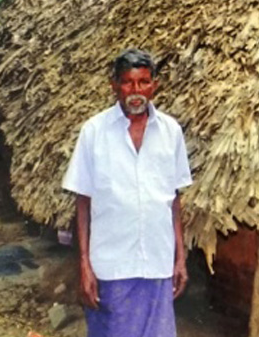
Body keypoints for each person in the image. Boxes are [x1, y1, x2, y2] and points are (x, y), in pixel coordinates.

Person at [62, 48, 192, 337]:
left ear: (154, 85)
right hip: (112, 266)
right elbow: (83, 201)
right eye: (128, 82)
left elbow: (174, 200)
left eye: (144, 82)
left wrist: (179, 258)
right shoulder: (94, 132)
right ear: (114, 86)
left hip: (157, 264)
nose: (136, 91)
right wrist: (84, 264)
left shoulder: (171, 131)